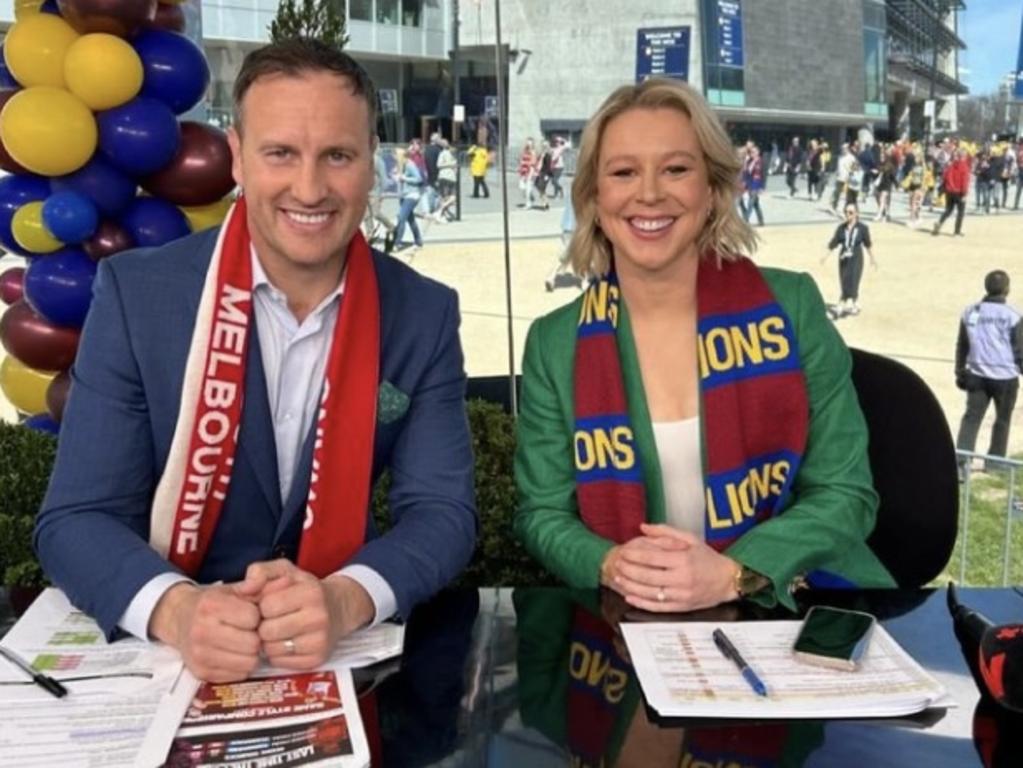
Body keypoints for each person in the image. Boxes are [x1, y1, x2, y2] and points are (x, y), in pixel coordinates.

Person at [35, 38, 477, 683]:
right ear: (238, 157)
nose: (310, 187)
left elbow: (442, 513)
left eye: (338, 156)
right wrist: (178, 610)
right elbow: (76, 519)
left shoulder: (423, 312)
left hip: (339, 655)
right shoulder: (138, 296)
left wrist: (346, 597)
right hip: (175, 659)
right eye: (280, 153)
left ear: (370, 163)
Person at [514, 78, 894, 616]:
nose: (649, 192)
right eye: (623, 172)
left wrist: (738, 573)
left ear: (712, 189)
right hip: (634, 625)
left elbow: (846, 493)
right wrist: (611, 564)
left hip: (791, 608)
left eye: (675, 169)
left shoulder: (794, 307)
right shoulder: (553, 343)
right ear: (594, 200)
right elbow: (541, 514)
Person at [954, 270, 1022, 474]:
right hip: (1005, 377)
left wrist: (959, 370)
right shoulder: (1013, 316)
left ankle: (961, 464)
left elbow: (962, 344)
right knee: (1002, 420)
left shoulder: (970, 312)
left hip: (976, 375)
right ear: (1007, 289)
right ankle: (994, 463)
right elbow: (1019, 348)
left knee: (971, 418)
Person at [822, 203, 876, 318]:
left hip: (856, 257)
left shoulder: (862, 228)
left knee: (852, 279)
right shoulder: (841, 228)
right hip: (843, 258)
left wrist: (872, 258)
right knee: (844, 279)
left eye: (851, 212)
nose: (848, 215)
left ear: (856, 213)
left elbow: (867, 244)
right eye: (846, 212)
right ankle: (855, 303)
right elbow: (834, 243)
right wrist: (825, 256)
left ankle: (840, 306)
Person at [933, 147, 970, 237]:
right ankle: (956, 231)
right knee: (960, 212)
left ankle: (939, 222)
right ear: (964, 156)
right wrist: (964, 193)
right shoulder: (964, 166)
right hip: (959, 192)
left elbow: (946, 177)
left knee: (948, 210)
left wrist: (950, 187)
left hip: (949, 191)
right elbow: (964, 181)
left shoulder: (951, 165)